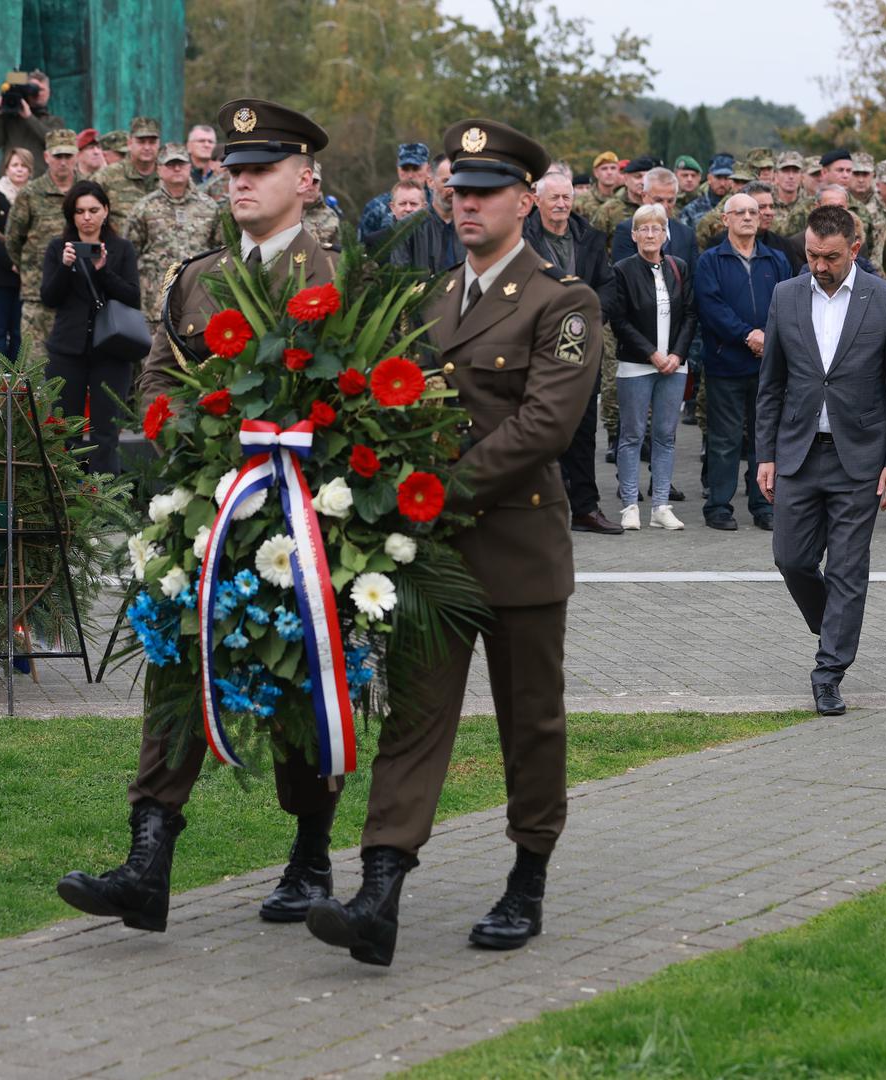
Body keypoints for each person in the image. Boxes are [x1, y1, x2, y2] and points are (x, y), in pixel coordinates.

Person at [306, 118, 600, 968]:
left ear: (523, 201)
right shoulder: (434, 298)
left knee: (531, 725)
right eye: (457, 191)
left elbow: (545, 425)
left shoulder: (561, 301)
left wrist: (435, 494)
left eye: (484, 193)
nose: (465, 204)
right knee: (413, 722)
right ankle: (380, 891)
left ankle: (527, 878)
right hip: (431, 558)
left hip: (515, 551)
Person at [57, 100, 342, 935]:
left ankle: (311, 859)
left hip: (299, 519)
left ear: (303, 179)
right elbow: (156, 376)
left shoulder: (332, 279)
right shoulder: (199, 275)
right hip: (205, 512)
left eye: (260, 169)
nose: (241, 180)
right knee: (177, 674)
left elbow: (356, 400)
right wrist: (180, 439)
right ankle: (147, 864)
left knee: (297, 680)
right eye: (235, 168)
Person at [755, 205, 886, 715]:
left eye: (829, 256)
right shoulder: (785, 295)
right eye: (811, 255)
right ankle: (836, 624)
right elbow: (772, 384)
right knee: (791, 558)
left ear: (855, 249)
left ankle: (829, 671)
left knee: (847, 569)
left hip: (860, 459)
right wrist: (765, 455)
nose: (819, 266)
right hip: (798, 454)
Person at [524, 170, 621, 535]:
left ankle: (585, 508)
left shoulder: (592, 238)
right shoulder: (521, 238)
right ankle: (536, 509)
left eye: (567, 197)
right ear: (537, 200)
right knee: (537, 430)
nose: (562, 204)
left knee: (582, 433)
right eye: (554, 198)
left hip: (583, 349)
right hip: (536, 349)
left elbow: (609, 285)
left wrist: (590, 312)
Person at [695, 192, 794, 530]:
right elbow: (711, 307)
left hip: (768, 364)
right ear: (726, 220)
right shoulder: (710, 260)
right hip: (726, 362)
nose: (749, 218)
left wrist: (768, 336)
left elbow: (787, 302)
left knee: (763, 437)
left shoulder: (776, 260)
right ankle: (719, 505)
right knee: (725, 438)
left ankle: (763, 504)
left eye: (754, 212)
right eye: (741, 212)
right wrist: (747, 335)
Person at [38, 180, 140, 474]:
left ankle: (106, 503)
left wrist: (103, 270)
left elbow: (133, 297)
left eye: (93, 210)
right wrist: (65, 266)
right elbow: (49, 297)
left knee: (106, 433)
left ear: (106, 211)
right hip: (67, 351)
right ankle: (67, 499)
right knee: (65, 432)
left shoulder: (121, 248)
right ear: (71, 215)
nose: (87, 217)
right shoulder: (59, 247)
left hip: (111, 351)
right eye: (80, 211)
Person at [609, 203, 698, 530]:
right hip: (636, 365)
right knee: (632, 435)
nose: (650, 234)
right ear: (634, 235)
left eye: (656, 228)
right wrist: (651, 353)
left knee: (666, 436)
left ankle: (661, 504)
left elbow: (690, 314)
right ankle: (630, 504)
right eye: (643, 229)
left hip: (675, 366)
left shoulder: (679, 267)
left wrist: (676, 354)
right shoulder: (622, 269)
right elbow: (619, 319)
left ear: (665, 234)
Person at [124, 143, 221, 336]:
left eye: (181, 164)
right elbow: (129, 255)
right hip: (155, 306)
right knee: (153, 361)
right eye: (170, 164)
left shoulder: (209, 207)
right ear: (159, 169)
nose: (176, 168)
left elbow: (219, 252)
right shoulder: (144, 208)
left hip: (198, 302)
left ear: (189, 167)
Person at [5, 127, 78, 368]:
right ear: (47, 157)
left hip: (78, 295)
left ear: (76, 156)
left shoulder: (86, 191)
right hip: (38, 297)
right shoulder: (30, 194)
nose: (63, 162)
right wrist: (28, 269)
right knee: (35, 369)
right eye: (58, 157)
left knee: (74, 369)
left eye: (68, 156)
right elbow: (13, 239)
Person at [0, 147, 32, 361]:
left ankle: (19, 388)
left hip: (27, 277)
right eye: (15, 165)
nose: (19, 170)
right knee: (0, 332)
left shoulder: (34, 197)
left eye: (24, 166)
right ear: (6, 168)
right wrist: (11, 261)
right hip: (0, 277)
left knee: (20, 334)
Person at [388, 154, 461, 272]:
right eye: (446, 181)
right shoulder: (407, 229)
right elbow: (400, 280)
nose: (452, 189)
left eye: (457, 181)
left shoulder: (471, 226)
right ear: (430, 182)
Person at [95, 117, 162, 232]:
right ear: (130, 143)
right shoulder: (107, 177)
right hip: (119, 247)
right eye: (141, 142)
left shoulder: (168, 176)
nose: (147, 147)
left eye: (152, 142)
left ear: (159, 144)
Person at [0, 69, 64, 165]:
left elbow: (56, 143)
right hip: (10, 178)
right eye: (33, 90)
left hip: (38, 179)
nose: (37, 93)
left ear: (49, 93)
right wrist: (0, 113)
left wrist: (29, 117)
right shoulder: (10, 119)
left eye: (41, 90)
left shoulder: (55, 121)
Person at [357, 142, 430, 243]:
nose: (410, 175)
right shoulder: (375, 208)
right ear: (398, 169)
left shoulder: (439, 205)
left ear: (428, 169)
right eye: (405, 168)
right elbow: (360, 250)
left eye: (415, 168)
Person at [302, 161, 342, 250]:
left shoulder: (330, 216)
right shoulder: (280, 212)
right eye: (305, 180)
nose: (310, 187)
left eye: (314, 182)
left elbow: (340, 257)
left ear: (320, 184)